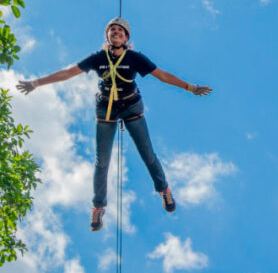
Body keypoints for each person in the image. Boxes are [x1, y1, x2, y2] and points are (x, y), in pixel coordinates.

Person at [16, 18, 212, 231]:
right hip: (106, 110)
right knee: (102, 163)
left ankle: (163, 189)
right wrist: (35, 83)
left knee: (148, 154)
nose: (116, 33)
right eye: (112, 30)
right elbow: (68, 73)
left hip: (131, 108)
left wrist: (189, 87)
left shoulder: (135, 58)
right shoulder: (98, 58)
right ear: (107, 36)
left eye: (120, 31)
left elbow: (162, 75)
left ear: (126, 37)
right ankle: (98, 207)